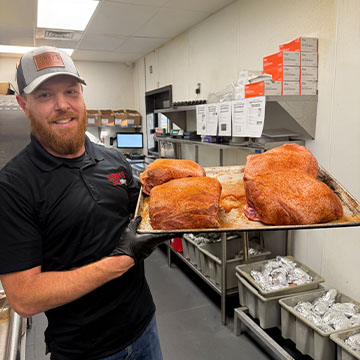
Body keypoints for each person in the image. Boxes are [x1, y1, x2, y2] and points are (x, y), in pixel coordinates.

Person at [0, 46, 176, 360]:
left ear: (82, 95)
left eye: (71, 91)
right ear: (23, 105)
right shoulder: (13, 186)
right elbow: (24, 297)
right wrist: (121, 260)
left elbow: (145, 211)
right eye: (44, 96)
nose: (62, 105)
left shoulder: (114, 160)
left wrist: (194, 212)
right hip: (84, 350)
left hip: (144, 329)